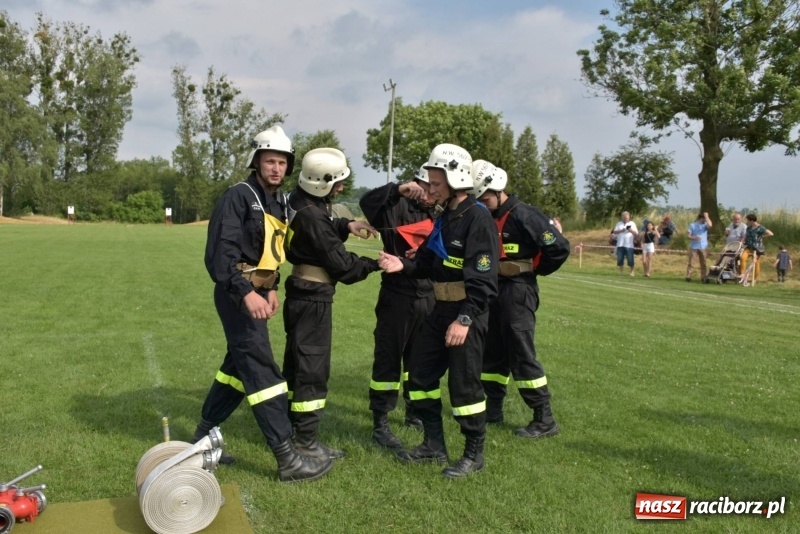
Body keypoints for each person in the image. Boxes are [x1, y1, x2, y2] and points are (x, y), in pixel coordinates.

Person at [195, 126, 332, 483]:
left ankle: (200, 439)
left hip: (257, 293)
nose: (276, 168)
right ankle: (287, 458)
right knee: (263, 372)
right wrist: (247, 292)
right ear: (256, 162)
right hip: (236, 295)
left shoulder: (280, 201)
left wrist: (270, 288)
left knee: (237, 368)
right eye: (270, 161)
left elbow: (271, 252)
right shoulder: (238, 197)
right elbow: (220, 257)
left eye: (283, 162)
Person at [378, 143, 498, 479]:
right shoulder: (446, 217)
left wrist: (464, 320)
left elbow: (485, 281)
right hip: (440, 308)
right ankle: (433, 444)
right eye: (430, 181)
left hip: (466, 313)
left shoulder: (478, 219)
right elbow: (427, 264)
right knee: (419, 375)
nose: (429, 188)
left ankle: (473, 454)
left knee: (464, 386)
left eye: (435, 182)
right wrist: (400, 264)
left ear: (456, 178)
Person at [282, 147, 381, 460]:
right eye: (336, 183)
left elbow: (319, 228)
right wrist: (377, 263)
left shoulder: (300, 202)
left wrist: (346, 225)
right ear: (319, 182)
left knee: (297, 364)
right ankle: (306, 441)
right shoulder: (312, 214)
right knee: (312, 368)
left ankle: (289, 427)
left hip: (300, 292)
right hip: (313, 297)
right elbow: (345, 268)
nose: (340, 188)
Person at [470, 160, 570, 439]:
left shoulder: (525, 215)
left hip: (518, 290)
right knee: (492, 352)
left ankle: (543, 417)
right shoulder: (484, 215)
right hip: (493, 289)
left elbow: (559, 247)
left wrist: (534, 270)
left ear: (498, 190)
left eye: (485, 198)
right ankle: (493, 409)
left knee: (521, 351)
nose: (483, 203)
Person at [358, 168, 438, 448]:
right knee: (388, 358)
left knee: (419, 360)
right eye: (426, 188)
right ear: (416, 184)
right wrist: (396, 189)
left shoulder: (437, 211)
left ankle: (414, 412)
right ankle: (380, 421)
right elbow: (367, 202)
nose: (430, 194)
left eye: (435, 188)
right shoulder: (394, 205)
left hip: (429, 294)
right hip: (397, 294)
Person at [739, 213, 773, 282]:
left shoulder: (760, 228)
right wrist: (741, 242)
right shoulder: (749, 228)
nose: (747, 222)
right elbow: (745, 236)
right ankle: (742, 274)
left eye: (748, 220)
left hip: (757, 248)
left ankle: (754, 278)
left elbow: (771, 233)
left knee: (756, 262)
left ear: (751, 221)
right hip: (748, 247)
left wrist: (762, 236)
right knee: (742, 257)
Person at [686, 212, 712, 282]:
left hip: (703, 246)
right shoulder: (693, 225)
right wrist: (694, 237)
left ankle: (703, 277)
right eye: (704, 219)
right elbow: (688, 236)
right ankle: (688, 276)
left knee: (703, 262)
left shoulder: (705, 225)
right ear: (701, 218)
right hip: (694, 246)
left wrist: (707, 216)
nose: (705, 220)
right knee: (691, 262)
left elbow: (710, 225)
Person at [612, 212, 638, 276]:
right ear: (622, 217)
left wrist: (630, 229)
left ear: (629, 217)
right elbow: (614, 231)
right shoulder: (619, 223)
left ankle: (632, 272)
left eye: (626, 217)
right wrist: (621, 230)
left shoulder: (632, 223)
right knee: (620, 259)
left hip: (629, 245)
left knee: (630, 259)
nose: (625, 218)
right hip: (620, 244)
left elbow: (636, 233)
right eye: (624, 217)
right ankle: (621, 272)